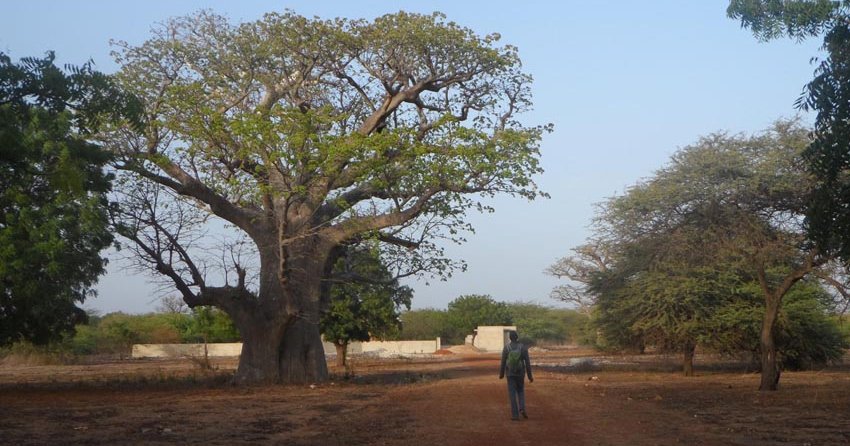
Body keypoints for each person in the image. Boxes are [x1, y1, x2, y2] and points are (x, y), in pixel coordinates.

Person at [499, 330, 533, 420]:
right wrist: (530, 376)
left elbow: (503, 362)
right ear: (517, 337)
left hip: (510, 374)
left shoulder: (506, 348)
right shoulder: (523, 347)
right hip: (520, 373)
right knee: (521, 391)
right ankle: (522, 408)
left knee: (512, 394)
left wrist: (501, 374)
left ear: (510, 338)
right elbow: (528, 363)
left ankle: (515, 415)